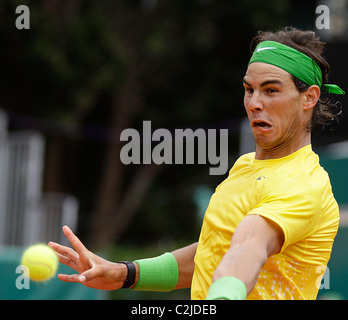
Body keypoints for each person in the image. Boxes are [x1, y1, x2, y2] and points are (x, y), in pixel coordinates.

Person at [48, 28, 345, 300]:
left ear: (309, 97)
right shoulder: (245, 166)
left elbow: (248, 248)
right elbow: (211, 255)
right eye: (249, 89)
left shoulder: (303, 184)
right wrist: (127, 274)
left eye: (271, 90)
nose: (254, 102)